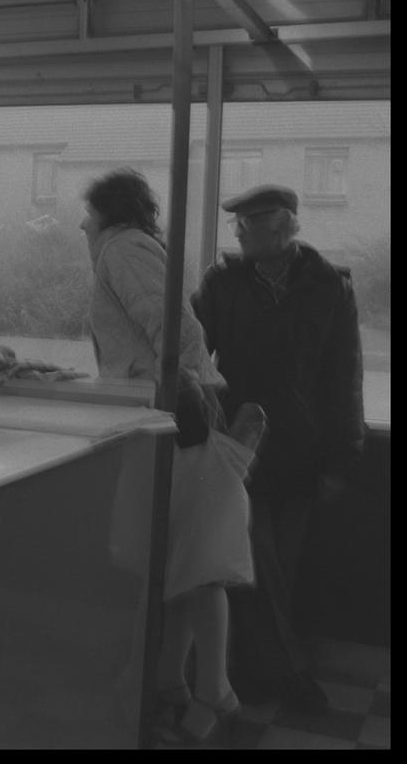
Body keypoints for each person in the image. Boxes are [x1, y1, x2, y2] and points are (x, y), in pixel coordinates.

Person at [81, 168, 259, 745]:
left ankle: (214, 691)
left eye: (88, 214)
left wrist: (170, 394)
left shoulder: (121, 248)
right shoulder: (131, 247)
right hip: (174, 415)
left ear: (108, 214)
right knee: (183, 560)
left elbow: (175, 329)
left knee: (200, 564)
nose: (83, 225)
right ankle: (173, 683)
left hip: (173, 422)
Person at [192, 184, 365, 715]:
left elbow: (345, 376)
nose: (239, 230)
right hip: (240, 449)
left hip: (303, 450)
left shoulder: (327, 286)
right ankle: (287, 672)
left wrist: (341, 458)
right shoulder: (223, 284)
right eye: (237, 222)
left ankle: (247, 670)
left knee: (278, 571)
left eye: (251, 220)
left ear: (284, 224)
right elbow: (188, 349)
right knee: (256, 559)